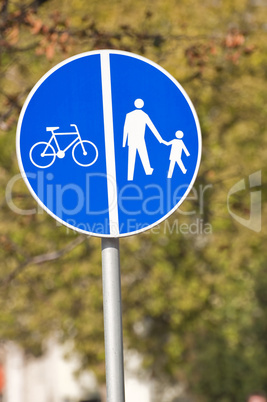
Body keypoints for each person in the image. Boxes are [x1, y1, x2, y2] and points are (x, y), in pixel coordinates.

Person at [123, 98, 166, 181]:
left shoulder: (129, 115)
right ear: (142, 105)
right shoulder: (144, 115)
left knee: (132, 158)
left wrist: (124, 142)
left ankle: (130, 176)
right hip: (139, 140)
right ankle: (148, 171)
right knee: (143, 155)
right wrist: (160, 139)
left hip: (131, 140)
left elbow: (125, 129)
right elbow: (153, 128)